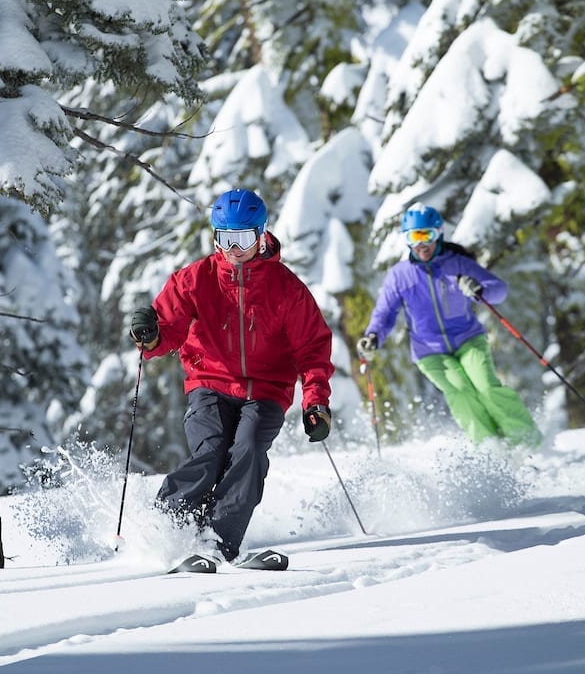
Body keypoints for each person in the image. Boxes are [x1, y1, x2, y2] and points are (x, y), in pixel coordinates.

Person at [128, 188, 335, 562]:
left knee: (249, 450)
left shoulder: (287, 289)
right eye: (225, 238)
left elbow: (312, 350)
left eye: (242, 238)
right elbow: (167, 331)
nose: (233, 249)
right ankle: (165, 529)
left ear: (261, 235)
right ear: (215, 237)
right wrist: (151, 334)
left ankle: (217, 543)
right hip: (209, 383)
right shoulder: (195, 279)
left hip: (267, 390)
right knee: (211, 451)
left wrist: (315, 402)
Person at [358, 203, 540, 447]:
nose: (422, 244)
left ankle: (526, 440)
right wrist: (373, 336)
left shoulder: (457, 264)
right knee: (460, 392)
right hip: (429, 351)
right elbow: (385, 313)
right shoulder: (400, 275)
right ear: (407, 240)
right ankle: (490, 446)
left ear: (439, 234)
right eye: (414, 237)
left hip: (468, 340)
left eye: (427, 235)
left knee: (486, 387)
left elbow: (500, 290)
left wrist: (479, 289)